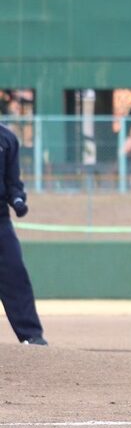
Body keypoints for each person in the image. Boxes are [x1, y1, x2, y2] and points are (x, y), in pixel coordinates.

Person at [0, 123, 47, 345]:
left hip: (0, 220)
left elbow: (13, 182)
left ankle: (31, 336)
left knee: (15, 274)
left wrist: (17, 199)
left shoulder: (7, 138)